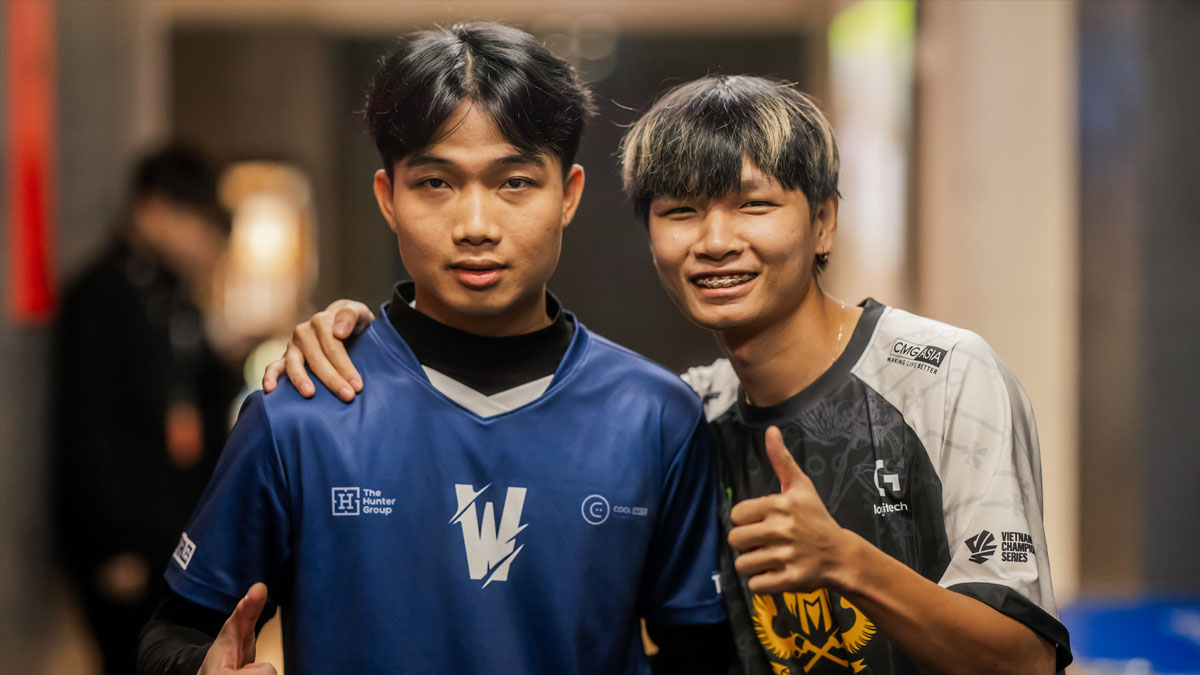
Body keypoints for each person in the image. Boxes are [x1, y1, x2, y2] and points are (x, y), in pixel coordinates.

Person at [275, 74, 1073, 673]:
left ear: (823, 218)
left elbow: (1028, 657)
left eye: (752, 205)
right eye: (681, 211)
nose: (714, 241)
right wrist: (368, 333)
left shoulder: (943, 375)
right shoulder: (688, 412)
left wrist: (845, 561)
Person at [137, 23, 727, 675]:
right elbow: (172, 632)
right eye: (436, 184)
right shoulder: (303, 410)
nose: (475, 225)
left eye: (514, 183)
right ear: (389, 198)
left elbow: (700, 650)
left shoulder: (656, 417)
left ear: (569, 195)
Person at [55, 146, 241, 675]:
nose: (201, 241)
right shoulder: (102, 294)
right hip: (123, 534)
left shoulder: (172, 295)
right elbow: (87, 423)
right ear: (153, 208)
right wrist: (111, 542)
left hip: (168, 522)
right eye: (194, 221)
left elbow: (195, 394)